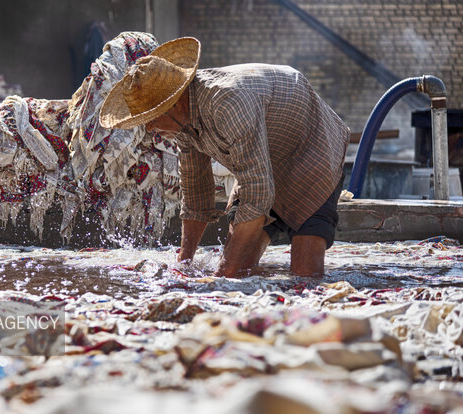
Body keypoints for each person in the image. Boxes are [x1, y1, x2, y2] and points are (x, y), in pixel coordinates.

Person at [99, 37, 350, 278]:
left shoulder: (226, 103)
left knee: (303, 275)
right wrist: (185, 262)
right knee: (241, 268)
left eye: (151, 119)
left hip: (310, 150)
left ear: (173, 105)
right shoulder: (183, 123)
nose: (150, 129)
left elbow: (258, 192)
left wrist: (222, 275)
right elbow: (196, 192)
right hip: (263, 160)